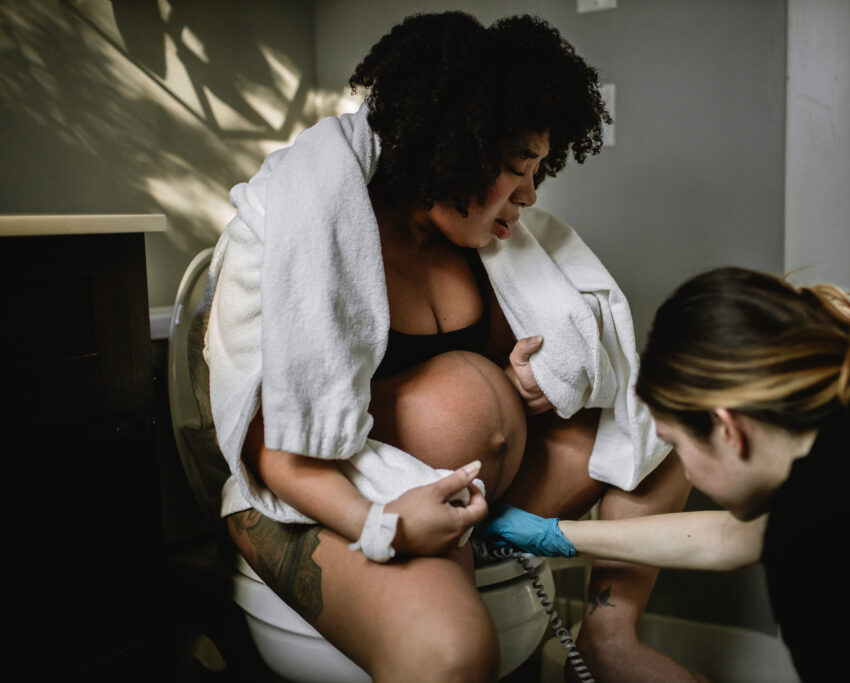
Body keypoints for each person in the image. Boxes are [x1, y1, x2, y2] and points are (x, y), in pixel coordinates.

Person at [198, 11, 703, 683]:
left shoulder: (477, 244)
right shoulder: (306, 226)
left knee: (667, 423)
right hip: (333, 494)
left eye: (538, 170)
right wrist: (383, 524)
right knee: (452, 653)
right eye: (517, 168)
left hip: (468, 488)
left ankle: (610, 633)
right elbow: (278, 449)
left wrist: (526, 380)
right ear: (452, 149)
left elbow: (492, 372)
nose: (529, 193)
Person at [479, 266, 850, 681]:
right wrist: (554, 534)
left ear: (729, 429)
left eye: (675, 444)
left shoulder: (820, 540)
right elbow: (734, 535)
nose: (681, 466)